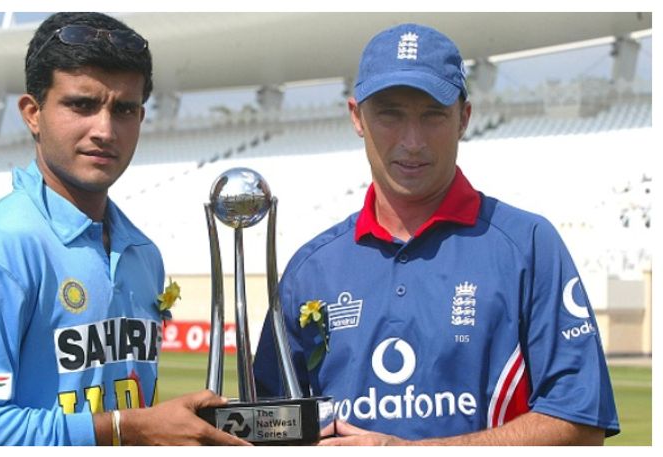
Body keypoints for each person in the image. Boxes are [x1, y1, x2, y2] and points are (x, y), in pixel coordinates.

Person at [253, 23, 620, 445]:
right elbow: (269, 429)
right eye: (390, 114)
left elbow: (582, 426)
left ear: (464, 118)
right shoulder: (310, 269)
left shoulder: (529, 246)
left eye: (433, 115)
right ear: (356, 117)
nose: (412, 142)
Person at [0, 12, 247, 446]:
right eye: (82, 105)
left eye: (123, 110)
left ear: (141, 117)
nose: (104, 130)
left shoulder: (142, 253)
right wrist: (126, 427)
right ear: (32, 113)